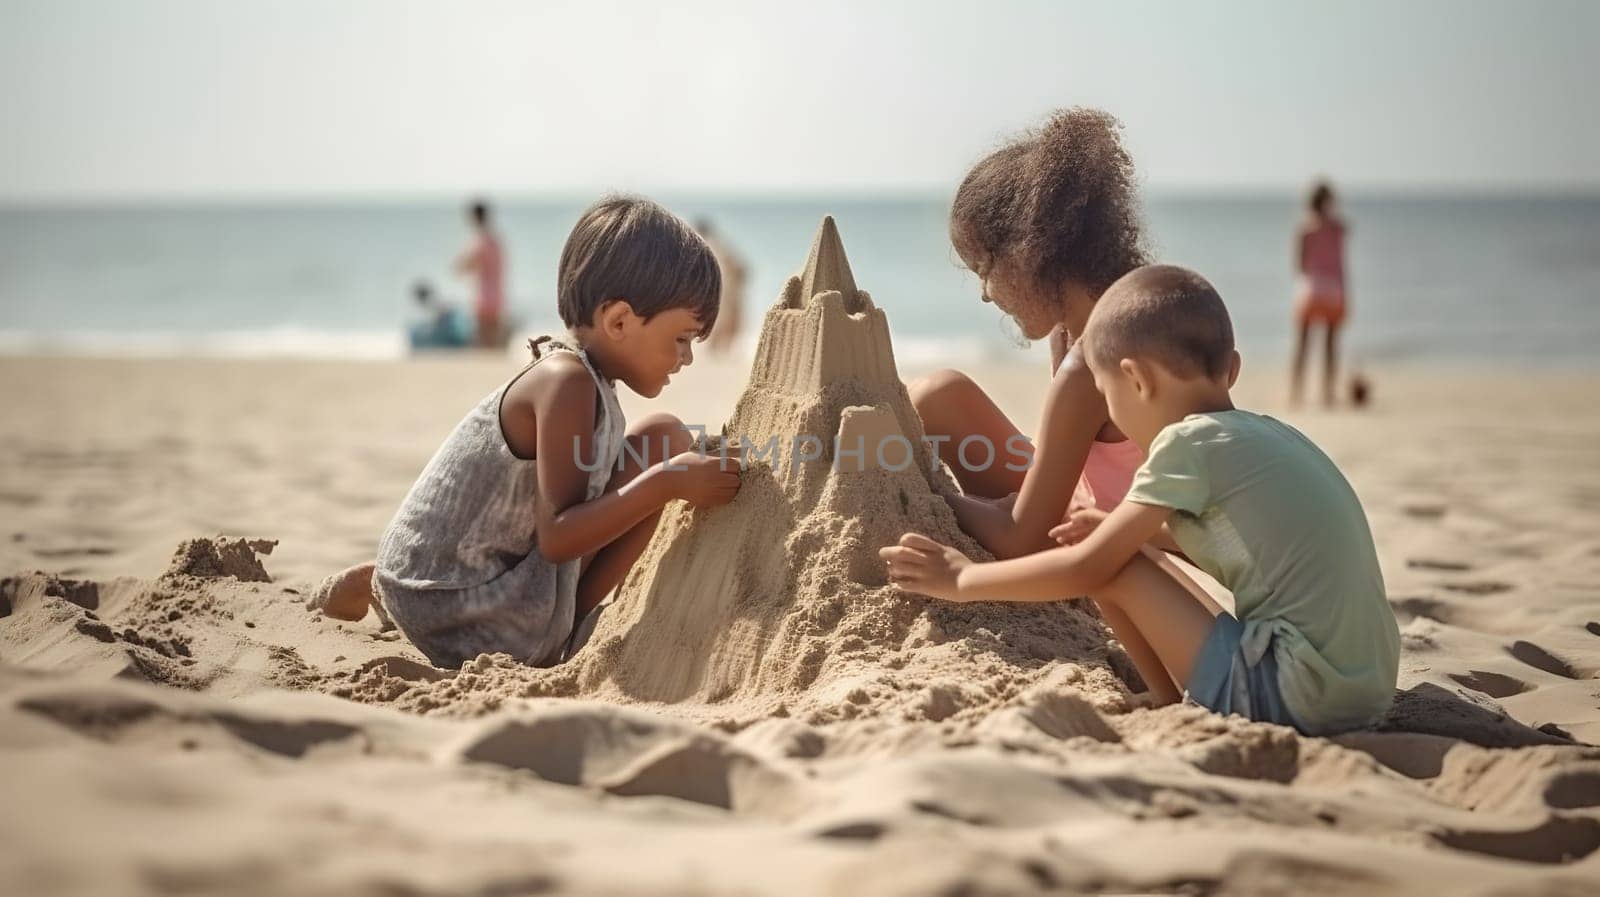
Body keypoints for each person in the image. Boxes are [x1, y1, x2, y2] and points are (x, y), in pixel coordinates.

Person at [880, 266, 1400, 736]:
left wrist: (961, 580)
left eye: (1108, 397)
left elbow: (1088, 569)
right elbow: (1242, 549)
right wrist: (1128, 530)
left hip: (1296, 697)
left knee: (1114, 564)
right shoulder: (1263, 436)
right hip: (1363, 690)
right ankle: (1166, 698)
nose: (1112, 414)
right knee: (1115, 544)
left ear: (1135, 379)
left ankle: (1171, 698)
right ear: (1232, 369)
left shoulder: (1184, 445)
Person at [307, 196, 743, 669]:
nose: (688, 357)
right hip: (461, 608)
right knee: (664, 461)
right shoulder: (567, 382)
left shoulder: (589, 382)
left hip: (470, 578)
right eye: (681, 339)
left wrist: (672, 469)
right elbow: (557, 537)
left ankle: (563, 623)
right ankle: (555, 633)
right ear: (618, 321)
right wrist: (669, 483)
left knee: (665, 438)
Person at [910, 107, 1154, 574]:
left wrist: (921, 494)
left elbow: (1022, 539)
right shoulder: (1079, 322)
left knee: (934, 420)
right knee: (938, 395)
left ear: (1029, 252)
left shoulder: (1095, 360)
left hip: (1121, 551)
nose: (984, 294)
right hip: (1082, 505)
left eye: (984, 270)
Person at [1291, 180, 1349, 406]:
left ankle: (1297, 393)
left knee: (1302, 343)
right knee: (1330, 345)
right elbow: (1341, 265)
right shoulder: (1338, 228)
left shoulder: (1305, 229)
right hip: (1335, 290)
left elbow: (1299, 265)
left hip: (1311, 289)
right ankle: (1328, 394)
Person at [456, 198, 507, 348]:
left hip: (484, 298)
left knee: (484, 344)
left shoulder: (480, 241)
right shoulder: (496, 241)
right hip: (497, 296)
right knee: (494, 343)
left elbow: (465, 265)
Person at [695, 217, 746, 356]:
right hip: (725, 290)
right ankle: (718, 353)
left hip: (724, 290)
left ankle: (717, 352)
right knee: (724, 321)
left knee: (723, 320)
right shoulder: (716, 245)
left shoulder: (710, 246)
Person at [406, 279, 471, 350]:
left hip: (452, 335)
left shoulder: (431, 302)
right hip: (455, 333)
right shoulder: (438, 300)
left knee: (415, 334)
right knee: (416, 333)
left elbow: (439, 318)